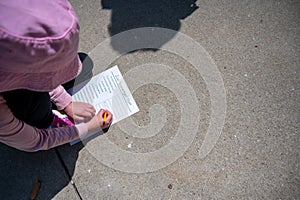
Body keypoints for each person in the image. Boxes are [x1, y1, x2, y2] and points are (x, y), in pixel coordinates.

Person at [0, 0, 113, 152]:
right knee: (32, 105)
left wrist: (65, 102)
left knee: (86, 65)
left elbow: (33, 71)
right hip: (14, 110)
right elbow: (37, 141)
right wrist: (90, 127)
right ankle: (45, 120)